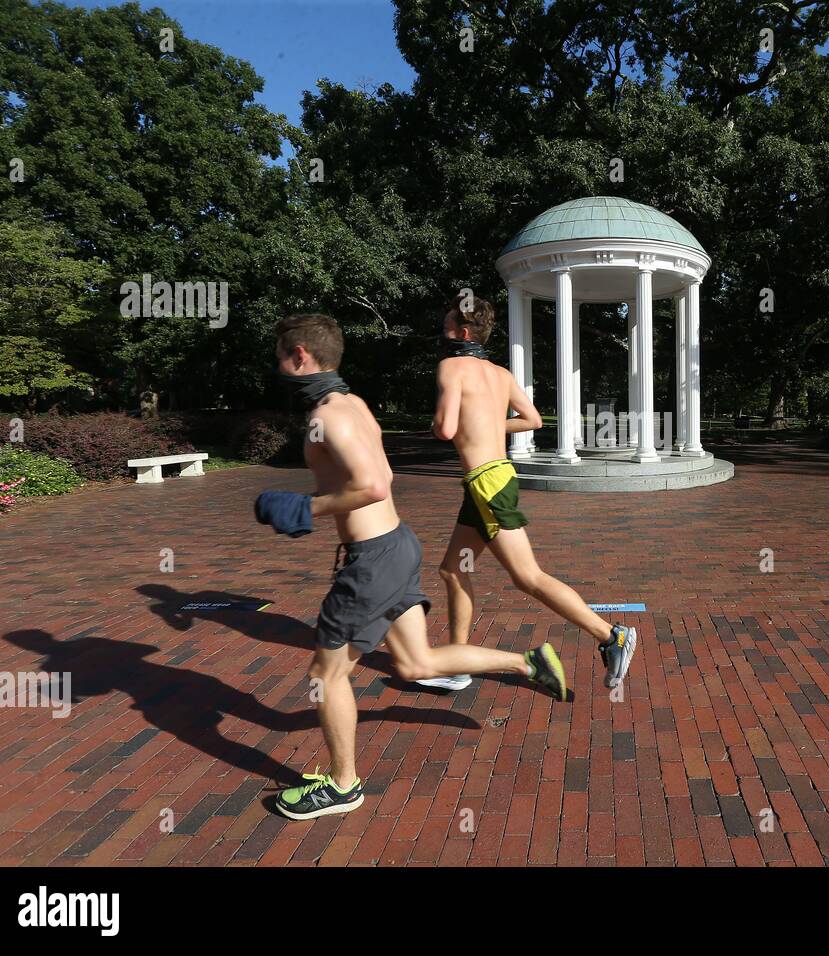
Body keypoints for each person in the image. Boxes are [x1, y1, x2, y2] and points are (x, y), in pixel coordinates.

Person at [254, 313, 563, 820]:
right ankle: (528, 663)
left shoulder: (331, 413)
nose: (277, 364)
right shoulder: (353, 405)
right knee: (416, 664)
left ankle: (342, 785)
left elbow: (375, 483)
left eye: (280, 355)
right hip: (396, 546)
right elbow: (384, 471)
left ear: (300, 357)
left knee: (325, 675)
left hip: (373, 562)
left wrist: (302, 509)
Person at [425, 293, 637, 694]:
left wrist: (448, 425)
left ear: (463, 332)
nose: (443, 328)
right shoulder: (500, 374)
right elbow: (533, 420)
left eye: (448, 322)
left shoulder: (451, 366)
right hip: (493, 478)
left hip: (486, 483)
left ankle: (612, 636)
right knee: (453, 570)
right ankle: (458, 661)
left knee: (527, 576)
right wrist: (486, 426)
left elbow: (446, 429)